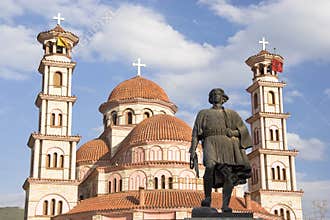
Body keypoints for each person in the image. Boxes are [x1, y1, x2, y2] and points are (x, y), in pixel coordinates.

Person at [189, 88, 252, 212]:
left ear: (223, 98)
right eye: (213, 94)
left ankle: (225, 205)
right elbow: (195, 132)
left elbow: (243, 130)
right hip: (210, 141)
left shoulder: (231, 114)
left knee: (228, 175)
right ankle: (207, 198)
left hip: (227, 144)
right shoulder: (203, 113)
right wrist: (192, 149)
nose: (215, 96)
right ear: (210, 98)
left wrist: (233, 132)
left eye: (218, 94)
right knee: (210, 167)